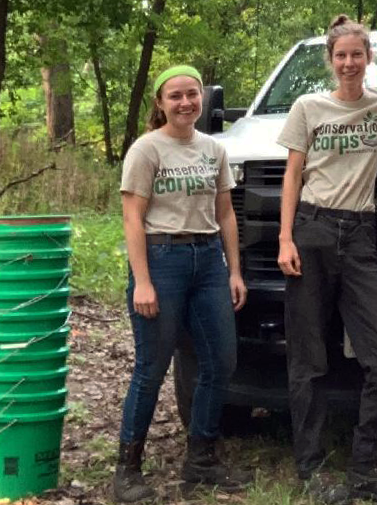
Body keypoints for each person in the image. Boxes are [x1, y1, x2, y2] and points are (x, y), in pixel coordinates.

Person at [277, 15, 377, 505]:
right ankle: (313, 470)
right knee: (309, 360)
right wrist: (284, 238)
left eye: (357, 54)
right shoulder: (307, 107)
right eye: (340, 55)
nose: (349, 63)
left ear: (368, 57)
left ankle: (365, 468)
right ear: (330, 60)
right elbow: (292, 175)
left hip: (361, 236)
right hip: (312, 231)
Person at [114, 65, 250, 502]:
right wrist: (142, 282)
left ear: (203, 99)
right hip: (161, 258)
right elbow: (132, 217)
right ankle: (128, 470)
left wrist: (234, 270)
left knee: (220, 361)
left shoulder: (214, 149)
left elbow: (226, 212)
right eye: (175, 96)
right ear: (160, 102)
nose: (186, 102)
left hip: (209, 260)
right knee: (151, 367)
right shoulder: (146, 149)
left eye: (193, 94)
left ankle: (202, 459)